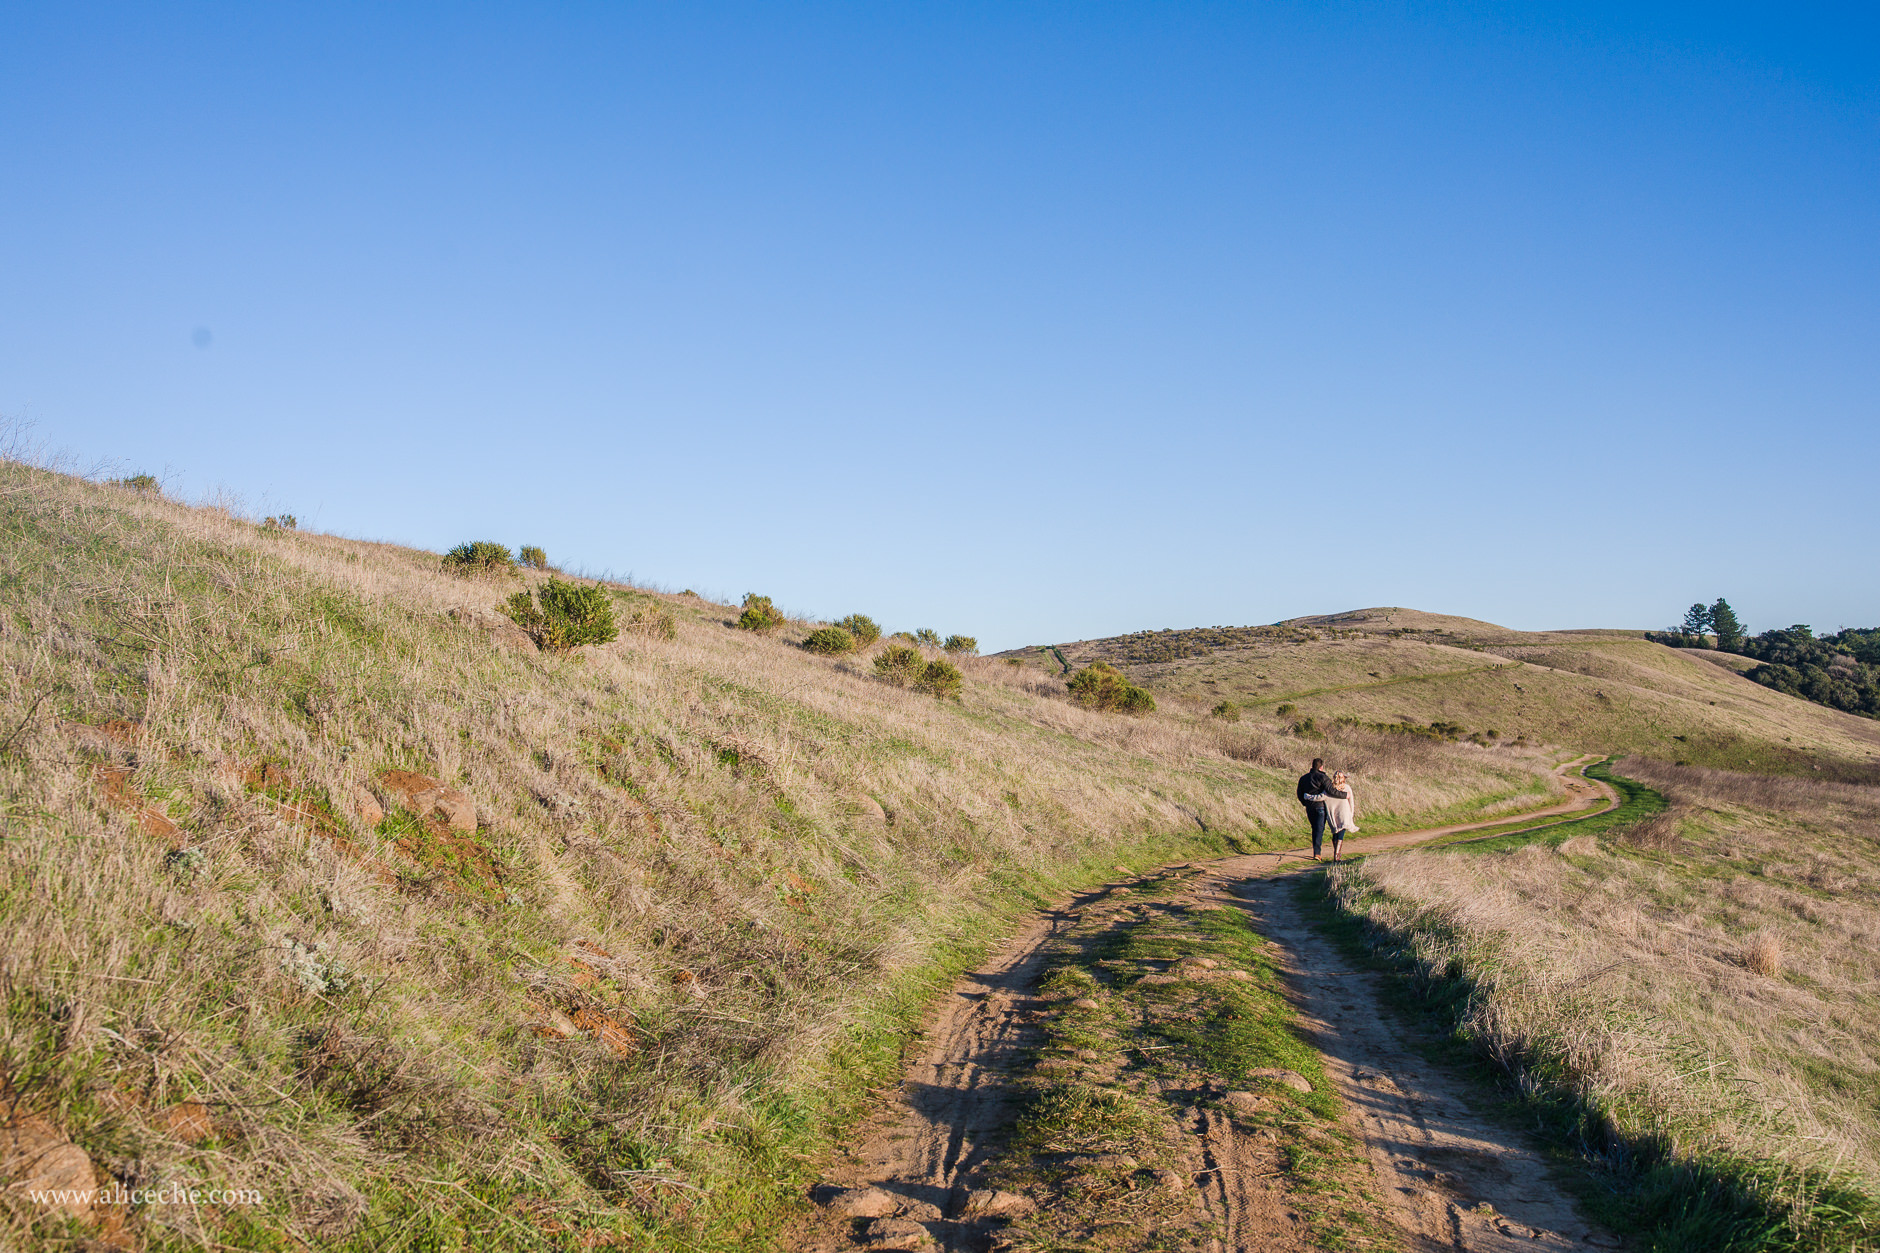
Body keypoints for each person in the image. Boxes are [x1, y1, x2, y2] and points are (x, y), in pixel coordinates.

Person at [1296, 758, 1348, 862]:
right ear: (1321, 767)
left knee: (1315, 828)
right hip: (1320, 806)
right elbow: (1331, 791)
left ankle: (1317, 852)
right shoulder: (1323, 777)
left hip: (1309, 807)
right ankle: (1317, 854)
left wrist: (1305, 803)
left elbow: (1299, 793)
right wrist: (1345, 795)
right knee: (1319, 829)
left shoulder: (1303, 778)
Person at [1323, 770, 1359, 862]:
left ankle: (1336, 853)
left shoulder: (1329, 788)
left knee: (1335, 832)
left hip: (1333, 814)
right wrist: (1351, 814)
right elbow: (1351, 802)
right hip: (1344, 813)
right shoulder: (1346, 788)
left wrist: (1308, 797)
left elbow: (1322, 797)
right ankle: (1337, 854)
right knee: (1341, 833)